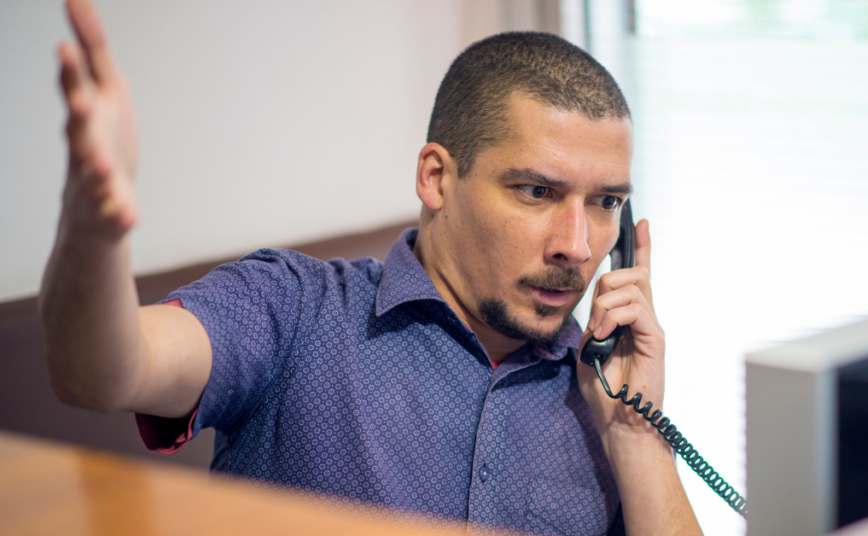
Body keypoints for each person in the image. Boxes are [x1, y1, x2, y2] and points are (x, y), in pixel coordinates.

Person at [42, 0, 702, 534]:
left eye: (606, 203)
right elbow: (102, 371)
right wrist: (90, 238)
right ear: (437, 177)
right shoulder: (294, 309)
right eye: (537, 192)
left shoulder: (604, 390)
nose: (578, 246)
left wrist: (638, 435)